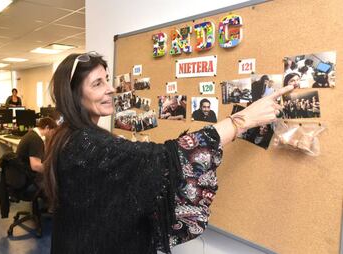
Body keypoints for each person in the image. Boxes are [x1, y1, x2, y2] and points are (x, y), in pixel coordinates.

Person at [42, 52, 294, 254]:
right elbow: (168, 158)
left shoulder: (68, 136)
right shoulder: (87, 143)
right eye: (97, 83)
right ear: (74, 96)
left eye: (107, 79)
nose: (110, 88)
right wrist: (243, 119)